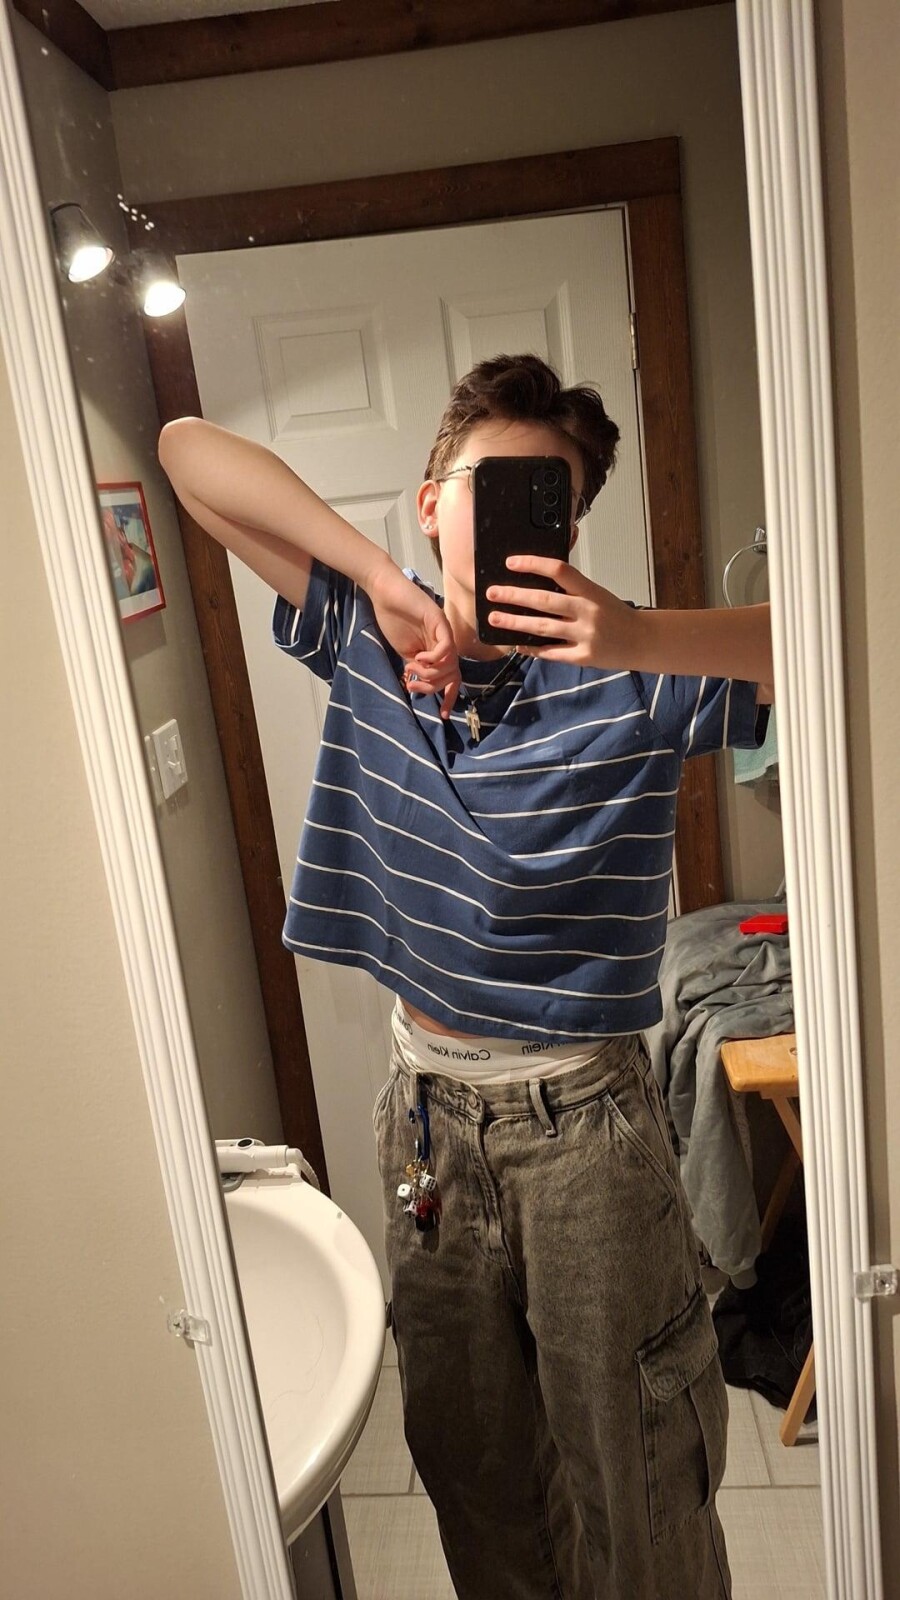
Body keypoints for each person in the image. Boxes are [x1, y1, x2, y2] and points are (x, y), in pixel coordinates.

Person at [159, 354, 774, 1599]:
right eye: (485, 492)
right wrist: (380, 580)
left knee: (639, 1482)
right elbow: (186, 455)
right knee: (473, 1471)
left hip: (587, 1126)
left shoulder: (635, 673)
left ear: (572, 532)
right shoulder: (367, 636)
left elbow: (844, 623)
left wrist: (637, 632)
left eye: (547, 505)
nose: (510, 528)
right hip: (426, 1122)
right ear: (432, 501)